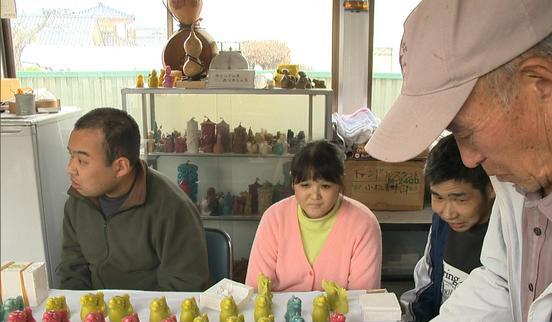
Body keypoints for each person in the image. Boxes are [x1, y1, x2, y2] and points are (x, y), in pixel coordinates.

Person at [364, 0, 552, 322]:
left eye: (466, 131)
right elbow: (503, 281)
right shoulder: (528, 159)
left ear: (543, 86)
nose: (469, 159)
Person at [57, 107, 210, 291]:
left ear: (120, 167)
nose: (70, 168)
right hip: (97, 314)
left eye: (82, 161)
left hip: (153, 314)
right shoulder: (78, 201)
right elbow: (72, 272)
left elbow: (183, 290)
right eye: (71, 155)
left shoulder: (172, 209)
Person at [245, 140, 382, 291]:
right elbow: (256, 290)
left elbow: (363, 298)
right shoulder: (274, 218)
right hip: (277, 314)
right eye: (305, 185)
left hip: (343, 315)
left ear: (341, 183)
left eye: (325, 186)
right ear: (293, 184)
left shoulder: (363, 224)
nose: (315, 196)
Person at [400, 134, 494, 322]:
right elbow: (427, 287)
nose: (448, 212)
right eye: (438, 197)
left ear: (491, 189)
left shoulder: (505, 234)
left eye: (460, 199)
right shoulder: (443, 224)